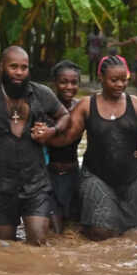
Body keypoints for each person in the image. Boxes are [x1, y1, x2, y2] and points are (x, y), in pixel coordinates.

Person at [32, 55, 137, 241]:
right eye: (114, 80)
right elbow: (67, 138)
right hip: (97, 176)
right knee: (100, 234)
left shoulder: (136, 104)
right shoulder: (87, 105)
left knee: (131, 235)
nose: (120, 84)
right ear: (101, 78)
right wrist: (44, 137)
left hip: (131, 178)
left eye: (124, 80)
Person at [0, 46, 70, 246]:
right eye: (13, 66)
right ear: (2, 67)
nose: (19, 72)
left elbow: (65, 116)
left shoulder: (42, 93)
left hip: (36, 185)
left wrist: (52, 131)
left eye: (24, 67)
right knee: (3, 245)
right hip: (1, 187)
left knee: (39, 241)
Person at [47, 60, 82, 233]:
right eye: (63, 82)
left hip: (74, 176)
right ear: (55, 82)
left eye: (74, 82)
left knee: (75, 229)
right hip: (49, 176)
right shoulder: (45, 107)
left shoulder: (81, 108)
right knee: (56, 232)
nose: (69, 87)